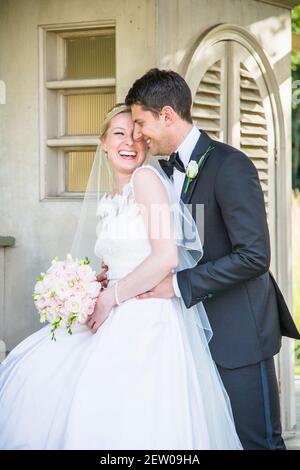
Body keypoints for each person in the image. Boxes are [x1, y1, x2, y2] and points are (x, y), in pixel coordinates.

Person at [0, 104, 242, 450]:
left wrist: (110, 297)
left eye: (136, 135)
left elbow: (166, 257)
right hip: (115, 306)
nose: (129, 142)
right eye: (119, 134)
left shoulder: (146, 180)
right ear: (103, 143)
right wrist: (96, 283)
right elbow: (125, 256)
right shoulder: (112, 199)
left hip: (146, 317)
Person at [122, 68, 300, 450]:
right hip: (186, 338)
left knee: (258, 443)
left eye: (140, 123)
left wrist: (179, 285)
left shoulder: (230, 165)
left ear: (167, 115)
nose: (137, 135)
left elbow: (254, 256)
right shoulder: (158, 174)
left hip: (238, 336)